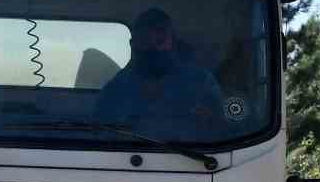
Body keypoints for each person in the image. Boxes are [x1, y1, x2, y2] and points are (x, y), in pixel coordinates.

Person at [94, 8, 224, 140]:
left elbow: (222, 131)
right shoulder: (116, 88)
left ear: (172, 42)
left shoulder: (201, 82)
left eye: (160, 41)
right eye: (145, 41)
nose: (154, 48)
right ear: (133, 45)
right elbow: (102, 134)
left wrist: (208, 119)